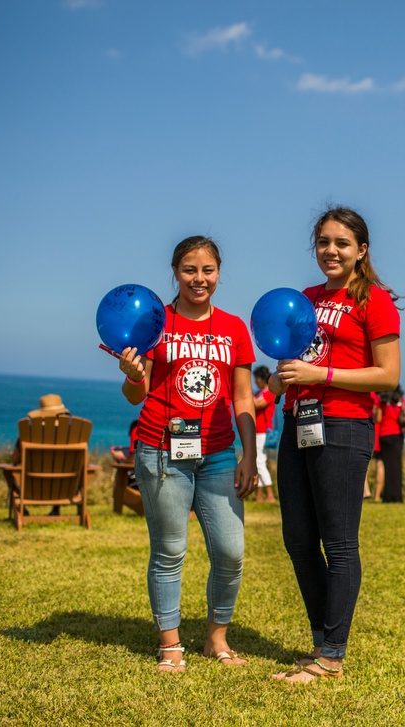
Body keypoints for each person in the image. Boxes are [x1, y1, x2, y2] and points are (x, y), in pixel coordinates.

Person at [269, 206, 400, 684]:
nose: (331, 250)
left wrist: (319, 374)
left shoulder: (374, 300)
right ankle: (321, 642)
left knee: (339, 543)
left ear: (361, 250)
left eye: (342, 243)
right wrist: (282, 377)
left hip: (344, 427)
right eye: (324, 241)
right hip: (296, 423)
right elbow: (294, 356)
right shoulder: (304, 298)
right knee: (299, 541)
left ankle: (332, 656)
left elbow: (387, 375)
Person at [117, 235, 257, 673]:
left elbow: (243, 399)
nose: (199, 279)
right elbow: (133, 396)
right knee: (169, 550)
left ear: (219, 273)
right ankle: (170, 644)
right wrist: (132, 373)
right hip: (161, 450)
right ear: (175, 272)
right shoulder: (155, 323)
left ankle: (216, 638)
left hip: (218, 453)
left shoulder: (234, 328)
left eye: (208, 270)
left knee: (231, 552)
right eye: (189, 270)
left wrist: (248, 455)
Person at [376, 386, 405, 503]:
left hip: (385, 434)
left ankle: (388, 496)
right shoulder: (401, 399)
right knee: (397, 465)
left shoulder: (382, 399)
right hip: (397, 434)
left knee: (387, 465)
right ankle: (398, 495)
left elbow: (378, 418)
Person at [253, 366, 278, 503]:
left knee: (260, 462)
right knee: (258, 462)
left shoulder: (269, 393)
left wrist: (244, 393)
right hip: (257, 430)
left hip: (262, 431)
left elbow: (258, 405)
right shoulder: (259, 393)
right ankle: (259, 495)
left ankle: (269, 494)